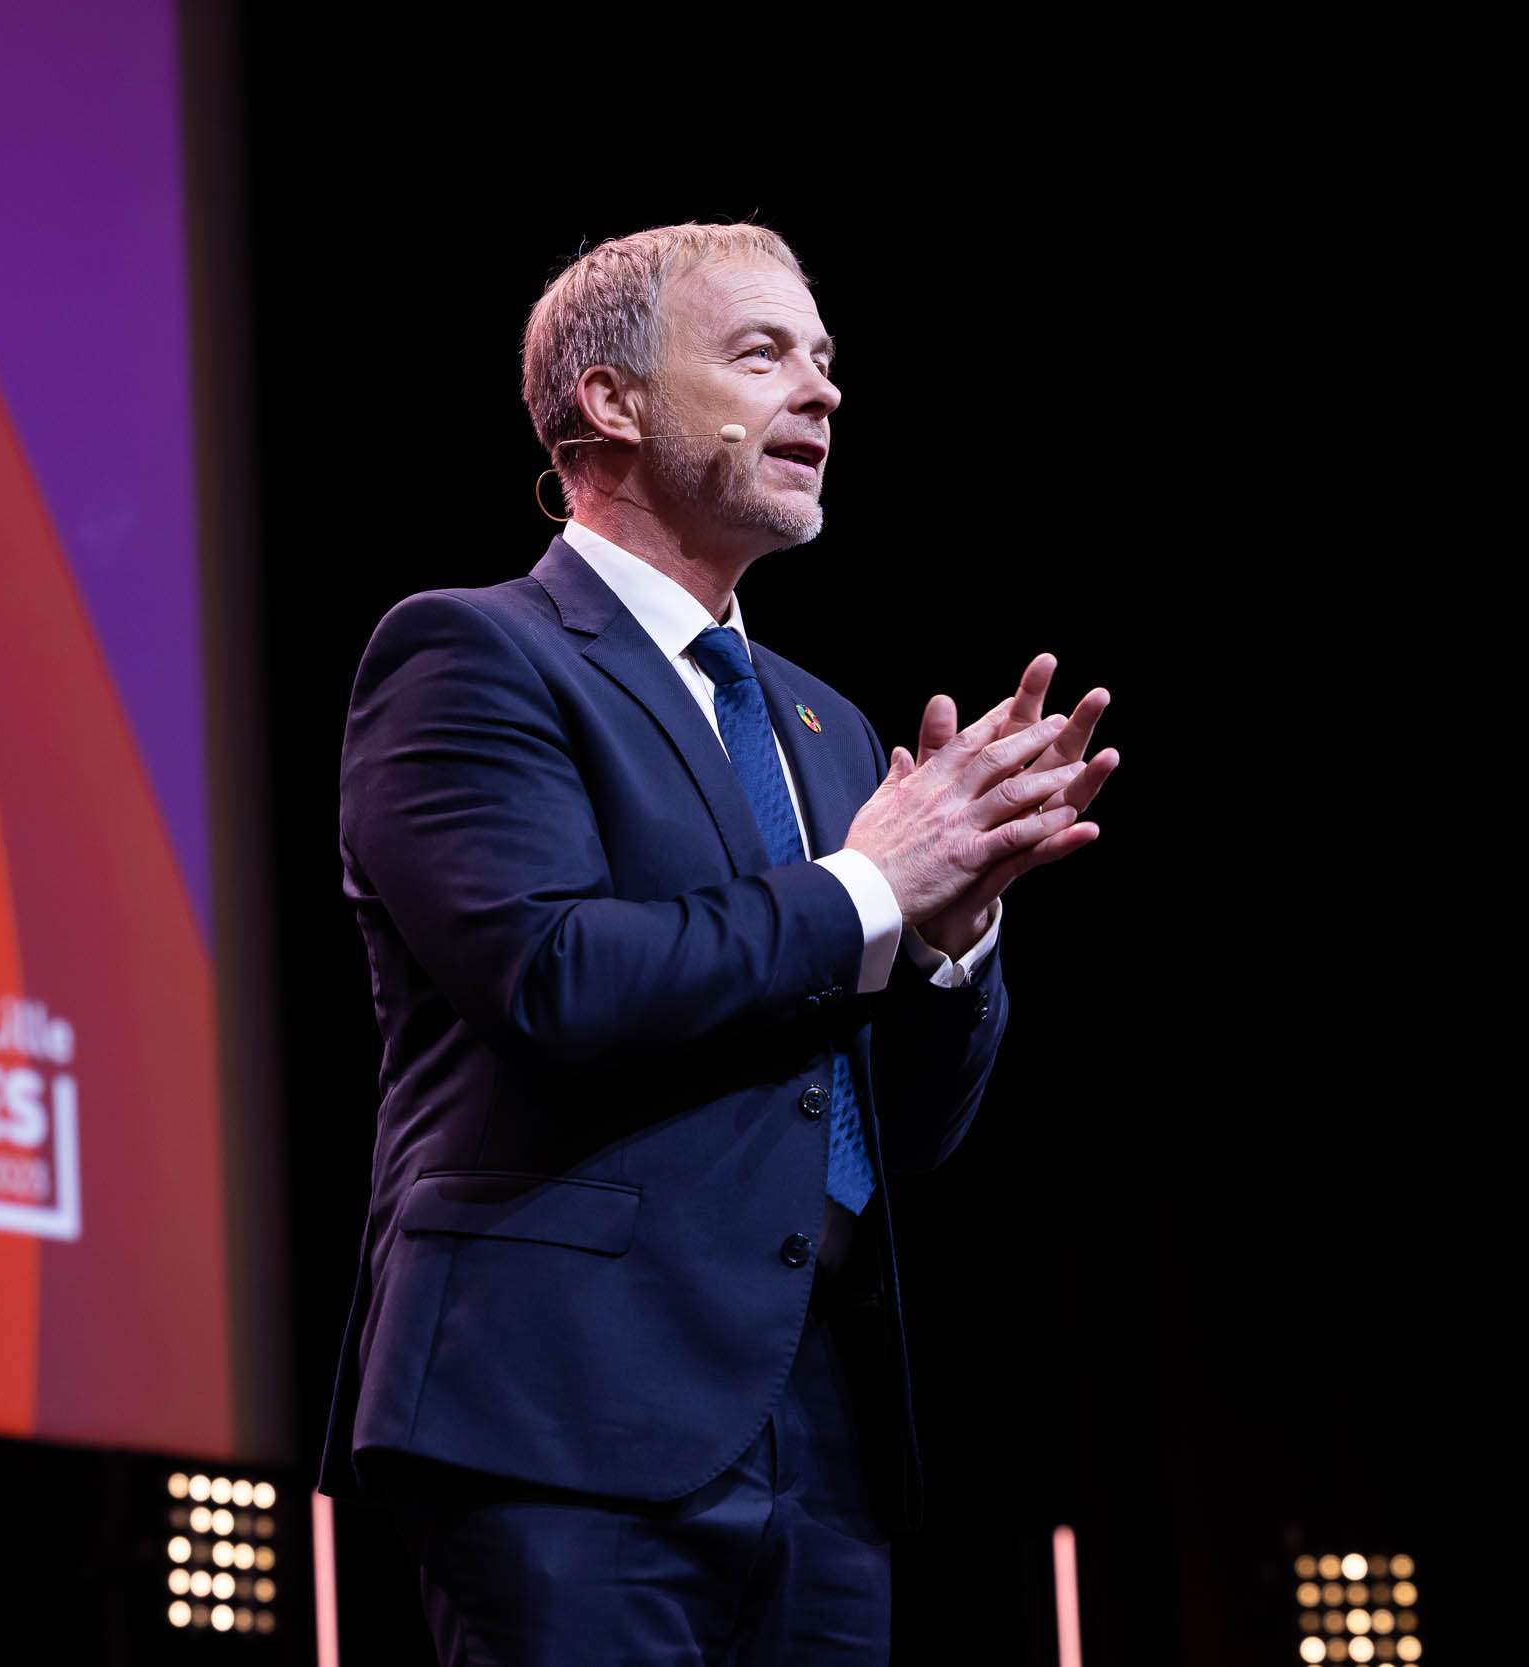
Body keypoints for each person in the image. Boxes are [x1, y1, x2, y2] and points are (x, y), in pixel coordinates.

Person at [319, 222, 1118, 1664]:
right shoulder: (468, 656)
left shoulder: (815, 722)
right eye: (762, 354)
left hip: (820, 1428)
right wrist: (869, 887)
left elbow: (901, 1129)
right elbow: (555, 982)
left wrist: (949, 933)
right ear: (609, 405)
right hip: (565, 1407)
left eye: (825, 363)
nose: (820, 392)